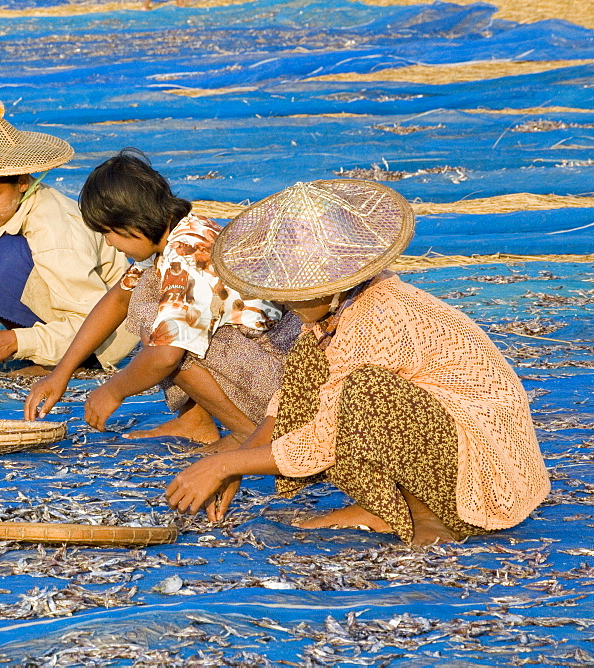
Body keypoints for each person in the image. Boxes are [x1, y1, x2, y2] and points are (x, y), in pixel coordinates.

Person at [165, 179, 550, 545]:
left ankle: (427, 518)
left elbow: (324, 439)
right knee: (307, 366)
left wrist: (225, 466)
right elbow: (286, 403)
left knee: (369, 389)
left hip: (482, 465)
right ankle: (385, 508)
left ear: (335, 285)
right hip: (442, 448)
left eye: (296, 292)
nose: (286, 302)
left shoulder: (376, 315)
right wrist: (237, 459)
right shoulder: (332, 316)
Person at [25, 150, 296, 447]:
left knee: (169, 340)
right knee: (150, 298)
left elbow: (166, 357)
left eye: (109, 232)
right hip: (259, 365)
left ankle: (248, 434)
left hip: (279, 380)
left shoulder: (185, 256)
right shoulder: (174, 233)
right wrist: (62, 372)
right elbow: (117, 300)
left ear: (133, 221)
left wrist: (113, 390)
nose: (108, 243)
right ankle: (195, 421)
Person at [0, 100, 137, 370]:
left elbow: (93, 319)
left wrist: (19, 341)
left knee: (9, 251)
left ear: (22, 183)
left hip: (99, 341)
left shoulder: (53, 229)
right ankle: (37, 352)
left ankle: (64, 362)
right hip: (52, 327)